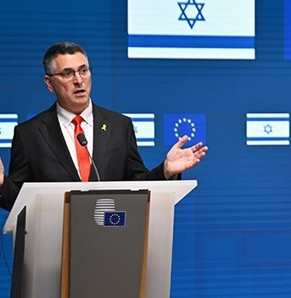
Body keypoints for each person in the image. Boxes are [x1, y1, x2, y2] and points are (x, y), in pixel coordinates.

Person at [0, 41, 208, 211]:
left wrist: (165, 171)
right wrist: (1, 183)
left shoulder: (119, 126)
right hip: (52, 245)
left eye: (83, 70)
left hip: (111, 238)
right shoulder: (29, 134)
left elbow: (137, 184)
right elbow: (17, 199)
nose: (78, 80)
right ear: (49, 83)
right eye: (67, 73)